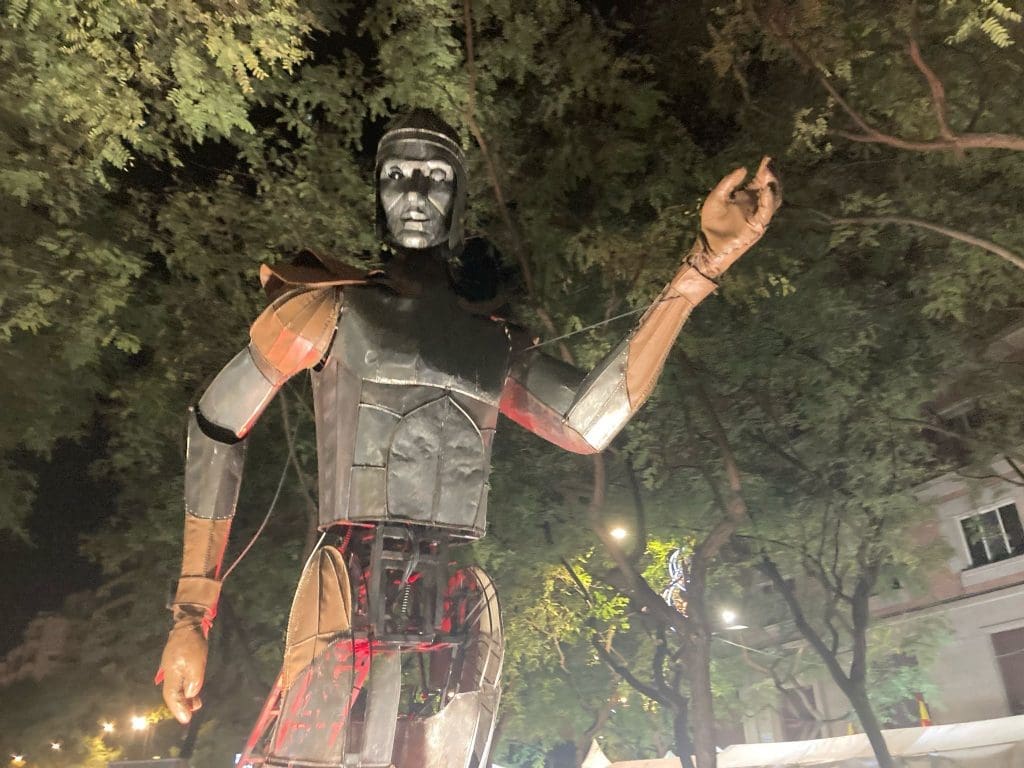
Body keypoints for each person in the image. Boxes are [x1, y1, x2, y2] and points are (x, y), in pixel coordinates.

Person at [157, 109, 780, 767]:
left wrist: (701, 268)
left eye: (435, 177)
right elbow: (216, 424)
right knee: (308, 750)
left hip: (451, 586)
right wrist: (191, 616)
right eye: (398, 176)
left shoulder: (489, 341)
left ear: (456, 200)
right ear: (378, 195)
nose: (415, 194)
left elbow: (588, 422)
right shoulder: (327, 309)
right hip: (346, 579)